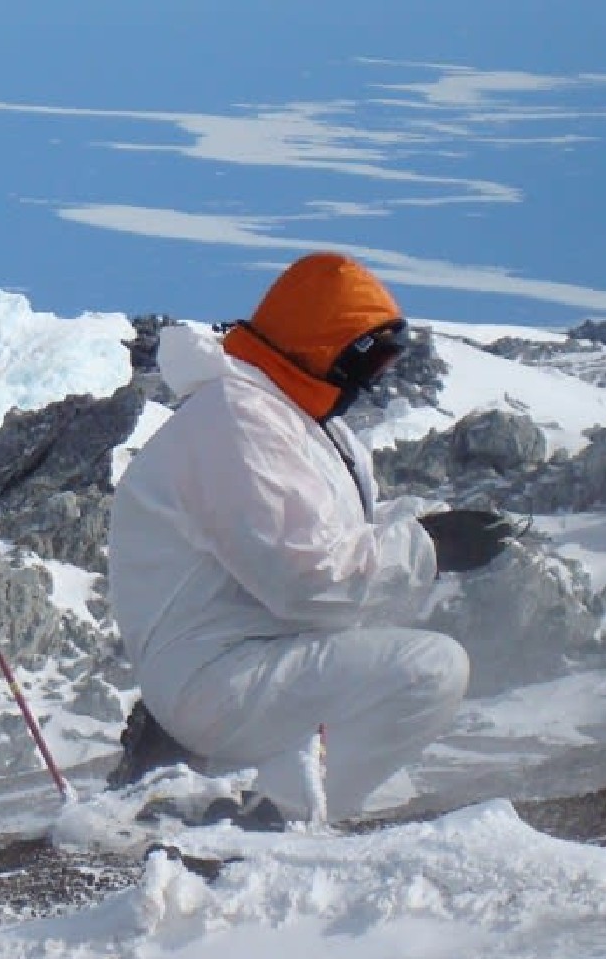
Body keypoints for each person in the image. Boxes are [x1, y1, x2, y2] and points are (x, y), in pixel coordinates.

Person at [107, 251, 481, 825]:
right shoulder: (237, 419)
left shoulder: (307, 426)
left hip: (255, 659)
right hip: (220, 674)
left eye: (388, 358)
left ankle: (230, 795)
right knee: (431, 669)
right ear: (322, 346)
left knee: (390, 789)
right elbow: (304, 580)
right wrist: (430, 547)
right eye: (369, 356)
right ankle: (269, 814)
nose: (377, 375)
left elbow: (346, 538)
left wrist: (432, 533)